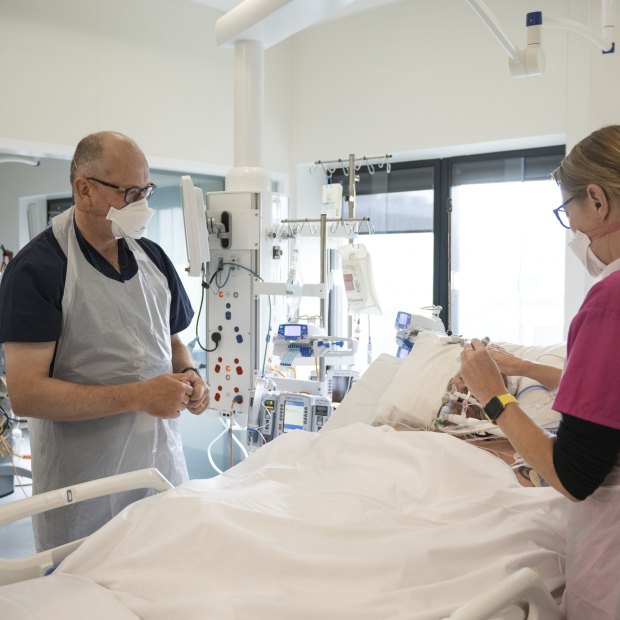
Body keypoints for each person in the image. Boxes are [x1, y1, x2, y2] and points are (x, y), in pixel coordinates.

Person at [0, 131, 210, 551]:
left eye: (146, 190)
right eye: (130, 192)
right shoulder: (37, 270)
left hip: (158, 468)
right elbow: (26, 395)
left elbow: (172, 343)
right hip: (83, 486)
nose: (142, 205)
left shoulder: (153, 259)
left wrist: (188, 374)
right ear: (85, 190)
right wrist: (137, 396)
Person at [458, 125, 620, 619]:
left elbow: (572, 475)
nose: (570, 226)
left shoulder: (609, 304)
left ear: (596, 200)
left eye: (565, 209)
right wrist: (521, 367)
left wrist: (491, 393)